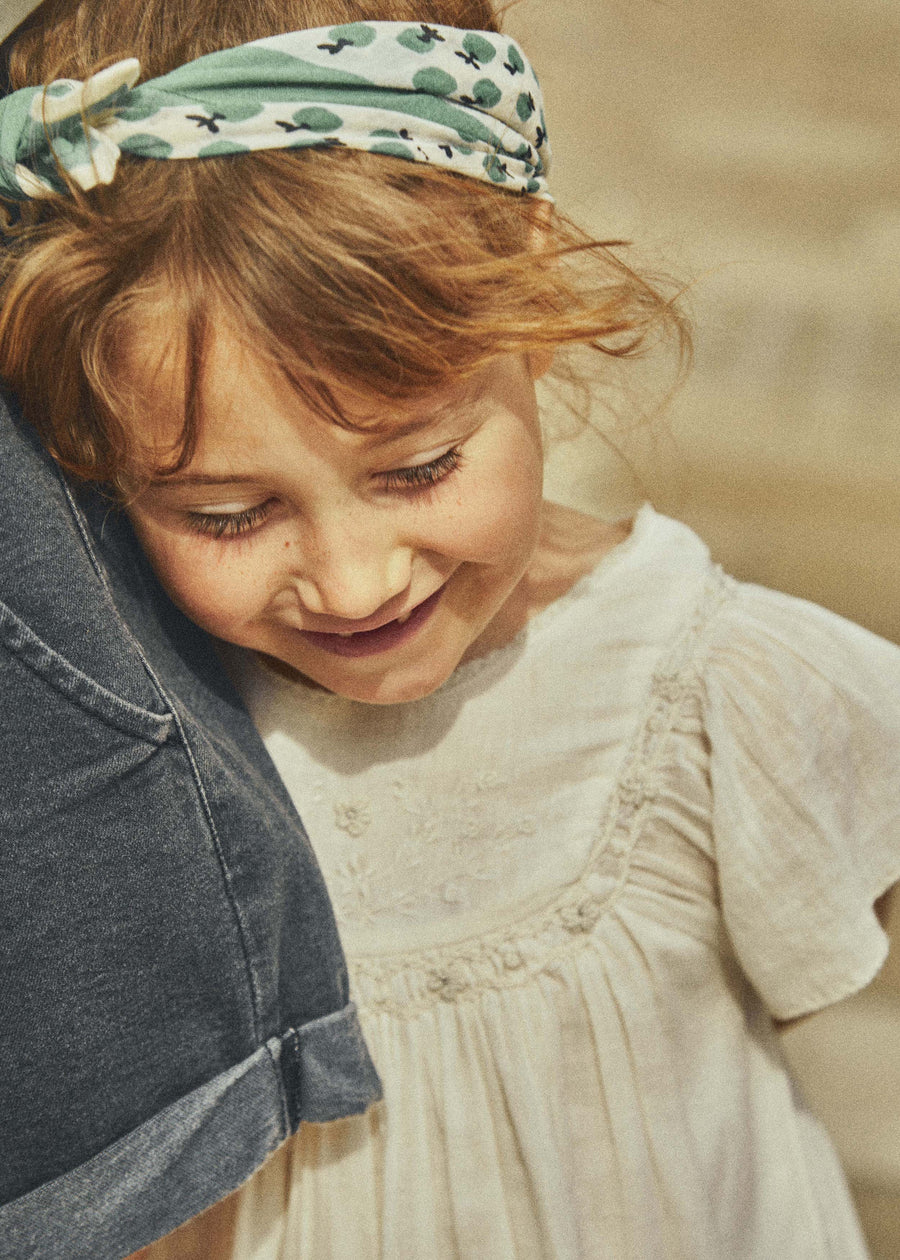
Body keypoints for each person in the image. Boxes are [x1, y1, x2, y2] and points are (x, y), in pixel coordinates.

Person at [1, 1, 898, 1257]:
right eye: (226, 510)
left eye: (418, 467)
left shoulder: (706, 686)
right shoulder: (102, 736)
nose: (356, 583)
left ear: (525, 302)